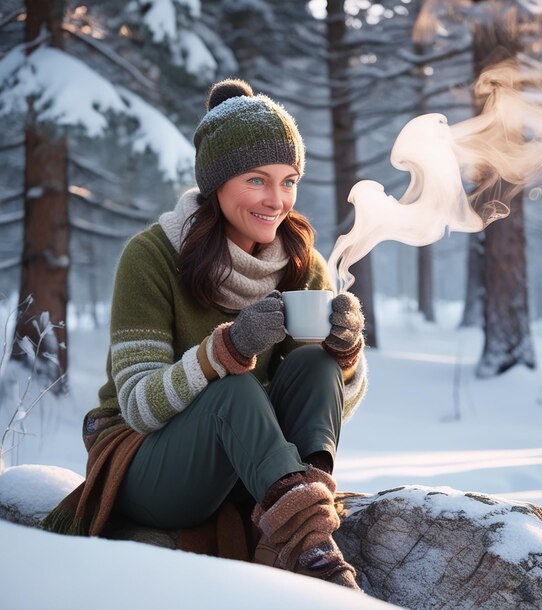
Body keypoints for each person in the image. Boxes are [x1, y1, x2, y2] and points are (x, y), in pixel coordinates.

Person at [44, 79, 367, 590]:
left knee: (315, 363)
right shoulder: (151, 257)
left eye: (288, 181)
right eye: (257, 180)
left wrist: (345, 354)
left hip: (250, 466)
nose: (277, 200)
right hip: (147, 463)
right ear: (216, 183)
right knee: (232, 388)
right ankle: (309, 551)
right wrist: (226, 350)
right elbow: (139, 406)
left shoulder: (303, 263)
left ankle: (305, 515)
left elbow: (323, 405)